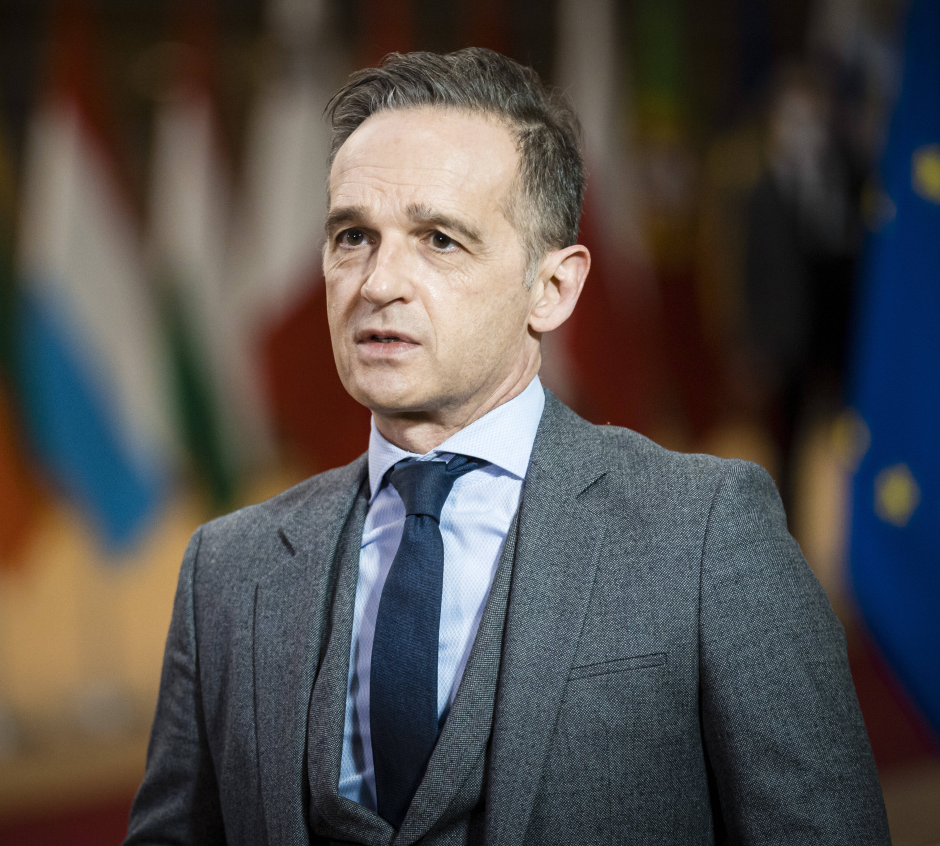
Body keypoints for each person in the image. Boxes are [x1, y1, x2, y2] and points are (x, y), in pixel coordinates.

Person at [123, 48, 889, 845]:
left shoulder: (705, 534)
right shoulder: (226, 570)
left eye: (439, 240)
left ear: (553, 288)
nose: (377, 282)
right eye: (353, 236)